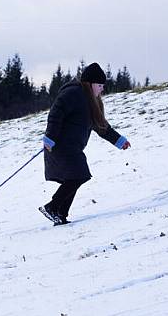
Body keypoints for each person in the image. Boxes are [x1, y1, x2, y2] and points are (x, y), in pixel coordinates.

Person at [40, 62, 130, 225]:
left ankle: (60, 214)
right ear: (90, 83)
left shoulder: (92, 102)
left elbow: (102, 128)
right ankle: (52, 207)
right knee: (79, 175)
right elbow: (55, 114)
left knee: (75, 177)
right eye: (100, 85)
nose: (102, 89)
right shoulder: (74, 93)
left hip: (71, 148)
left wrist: (119, 141)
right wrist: (49, 138)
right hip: (59, 146)